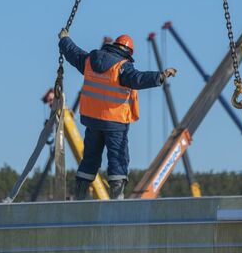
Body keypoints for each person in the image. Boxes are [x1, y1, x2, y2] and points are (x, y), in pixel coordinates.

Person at [58, 29, 177, 200]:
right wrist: (160, 76)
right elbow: (139, 78)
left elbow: (73, 53)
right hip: (114, 122)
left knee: (90, 156)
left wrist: (64, 39)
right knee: (118, 156)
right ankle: (117, 196)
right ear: (128, 53)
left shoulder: (90, 60)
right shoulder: (122, 67)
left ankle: (80, 193)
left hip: (92, 120)